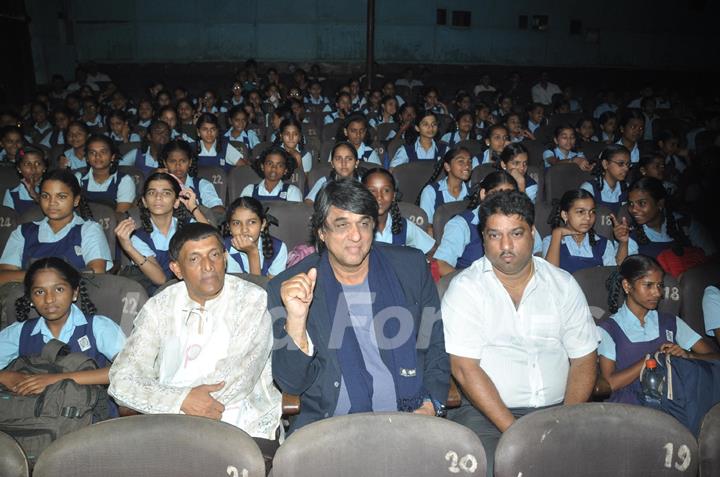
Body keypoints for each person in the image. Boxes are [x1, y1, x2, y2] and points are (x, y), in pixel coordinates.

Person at [268, 178, 450, 433]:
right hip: (329, 426)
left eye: (364, 223)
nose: (355, 236)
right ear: (322, 231)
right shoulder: (288, 288)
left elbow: (435, 348)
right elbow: (291, 383)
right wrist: (297, 319)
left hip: (410, 419)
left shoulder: (411, 268)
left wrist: (431, 403)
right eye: (342, 225)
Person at [442, 189, 599, 474]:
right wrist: (517, 432)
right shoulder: (466, 288)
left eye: (516, 233)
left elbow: (584, 358)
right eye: (494, 235)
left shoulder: (562, 284)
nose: (505, 245)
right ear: (483, 238)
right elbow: (464, 369)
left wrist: (564, 421)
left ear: (532, 233)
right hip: (487, 417)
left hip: (559, 411)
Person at [108, 223, 282, 457]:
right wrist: (180, 400)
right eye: (194, 259)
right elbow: (121, 379)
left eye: (214, 255)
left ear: (225, 258)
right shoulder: (159, 306)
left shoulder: (252, 300)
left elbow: (237, 379)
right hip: (168, 422)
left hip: (243, 425)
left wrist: (174, 402)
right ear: (177, 269)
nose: (208, 266)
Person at [0, 258, 125, 402]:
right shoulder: (20, 332)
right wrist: (5, 376)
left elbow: (129, 370)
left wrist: (55, 380)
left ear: (74, 293)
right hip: (30, 418)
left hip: (89, 415)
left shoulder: (98, 326)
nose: (49, 299)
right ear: (30, 299)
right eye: (40, 292)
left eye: (59, 289)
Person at [599, 255, 719, 404]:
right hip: (629, 409)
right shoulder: (609, 329)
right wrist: (652, 358)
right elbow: (609, 384)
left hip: (674, 404)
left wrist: (688, 356)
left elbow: (715, 357)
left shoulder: (670, 322)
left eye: (659, 285)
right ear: (627, 286)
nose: (657, 293)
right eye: (648, 285)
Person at [0, 169, 113, 284]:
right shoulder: (23, 232)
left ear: (76, 200)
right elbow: (4, 276)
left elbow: (96, 273)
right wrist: (58, 276)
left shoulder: (89, 229)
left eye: (61, 196)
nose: (52, 202)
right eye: (45, 196)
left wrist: (34, 276)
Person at [433, 171, 543, 277]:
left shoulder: (522, 222)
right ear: (483, 194)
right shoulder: (461, 224)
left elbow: (538, 254)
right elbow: (441, 264)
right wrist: (472, 286)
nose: (503, 201)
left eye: (509, 195)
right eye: (496, 195)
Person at [115, 171, 209, 293]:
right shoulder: (138, 237)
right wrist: (128, 248)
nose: (158, 197)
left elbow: (213, 241)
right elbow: (160, 279)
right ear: (144, 201)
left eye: (166, 193)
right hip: (157, 295)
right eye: (152, 192)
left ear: (176, 202)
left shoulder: (186, 226)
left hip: (193, 287)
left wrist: (193, 208)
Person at [543, 189, 628, 274]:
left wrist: (623, 242)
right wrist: (557, 234)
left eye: (592, 212)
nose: (588, 218)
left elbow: (615, 276)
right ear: (565, 215)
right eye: (580, 212)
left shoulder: (604, 244)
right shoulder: (551, 241)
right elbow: (550, 277)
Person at [362, 168, 435, 254]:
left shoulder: (404, 226)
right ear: (362, 194)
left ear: (394, 196)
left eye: (386, 190)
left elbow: (433, 250)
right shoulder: (354, 227)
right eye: (372, 191)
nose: (379, 197)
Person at [222, 197, 287, 277]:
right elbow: (237, 287)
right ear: (229, 227)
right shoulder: (224, 248)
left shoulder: (278, 248)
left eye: (252, 222)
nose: (244, 230)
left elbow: (265, 289)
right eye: (237, 223)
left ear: (262, 224)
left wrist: (252, 253)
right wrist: (252, 252)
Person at [158, 139, 225, 215]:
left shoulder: (201, 185)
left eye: (183, 161)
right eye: (173, 161)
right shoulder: (158, 185)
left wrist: (194, 210)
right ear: (165, 163)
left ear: (190, 162)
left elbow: (219, 209)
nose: (178, 165)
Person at [417, 147, 472, 235]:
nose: (467, 166)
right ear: (447, 167)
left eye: (470, 162)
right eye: (461, 161)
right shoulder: (431, 192)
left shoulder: (472, 194)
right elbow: (427, 228)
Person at [76, 135, 136, 213]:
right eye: (92, 152)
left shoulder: (124, 181)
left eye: (103, 152)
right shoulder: (79, 178)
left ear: (112, 157)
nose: (97, 156)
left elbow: (121, 215)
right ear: (87, 158)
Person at [580, 144, 630, 214]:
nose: (626, 168)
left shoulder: (628, 188)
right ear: (605, 164)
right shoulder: (589, 188)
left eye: (628, 164)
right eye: (620, 164)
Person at [3, 147, 46, 214]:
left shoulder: (53, 187)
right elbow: (9, 219)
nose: (33, 168)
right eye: (27, 164)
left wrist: (35, 195)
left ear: (44, 167)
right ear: (19, 169)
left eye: (38, 164)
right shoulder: (12, 193)